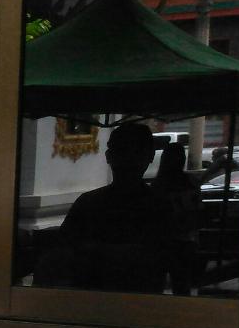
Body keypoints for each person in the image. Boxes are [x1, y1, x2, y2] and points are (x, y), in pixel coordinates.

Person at [58, 123, 173, 293]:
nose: (129, 159)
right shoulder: (160, 206)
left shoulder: (88, 203)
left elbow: (66, 249)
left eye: (135, 151)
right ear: (150, 156)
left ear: (108, 156)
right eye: (124, 151)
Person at [152, 142, 201, 295]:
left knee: (156, 285)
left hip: (162, 241)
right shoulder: (191, 182)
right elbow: (197, 211)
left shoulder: (158, 186)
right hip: (186, 240)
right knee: (182, 285)